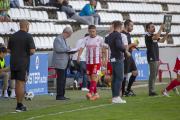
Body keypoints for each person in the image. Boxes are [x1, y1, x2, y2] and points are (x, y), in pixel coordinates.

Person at [7, 19, 35, 111]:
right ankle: (19, 105)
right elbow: (32, 51)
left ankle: (19, 104)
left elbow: (9, 50)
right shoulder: (28, 36)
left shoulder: (13, 36)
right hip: (23, 63)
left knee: (17, 84)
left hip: (13, 62)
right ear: (26, 25)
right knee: (21, 84)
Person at [77, 25, 106, 100]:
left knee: (94, 76)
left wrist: (104, 59)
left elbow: (104, 49)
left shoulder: (100, 39)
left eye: (93, 31)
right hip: (88, 61)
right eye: (90, 31)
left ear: (96, 31)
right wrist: (79, 56)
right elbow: (82, 47)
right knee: (89, 78)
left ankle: (89, 93)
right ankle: (96, 94)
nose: (92, 33)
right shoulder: (86, 39)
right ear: (88, 31)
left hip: (96, 61)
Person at [105, 21, 131, 103]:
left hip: (112, 58)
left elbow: (106, 40)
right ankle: (116, 97)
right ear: (120, 27)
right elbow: (119, 45)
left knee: (115, 79)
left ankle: (114, 97)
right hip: (118, 58)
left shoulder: (110, 35)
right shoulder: (118, 35)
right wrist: (126, 51)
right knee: (120, 78)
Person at [145, 22, 170, 96]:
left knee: (154, 74)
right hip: (152, 57)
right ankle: (151, 91)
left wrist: (166, 34)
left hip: (155, 57)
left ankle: (152, 90)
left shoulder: (153, 35)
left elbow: (162, 41)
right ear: (148, 29)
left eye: (153, 26)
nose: (154, 27)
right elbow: (156, 38)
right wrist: (161, 28)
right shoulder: (148, 36)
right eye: (152, 27)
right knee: (152, 75)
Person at [51, 27, 73, 100]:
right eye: (69, 35)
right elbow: (58, 49)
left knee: (63, 79)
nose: (69, 37)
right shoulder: (58, 39)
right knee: (60, 79)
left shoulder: (63, 39)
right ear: (66, 33)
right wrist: (68, 49)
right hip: (60, 62)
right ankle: (59, 95)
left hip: (64, 62)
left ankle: (62, 95)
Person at [121, 20, 139, 97]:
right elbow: (124, 47)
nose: (132, 28)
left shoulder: (128, 34)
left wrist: (132, 45)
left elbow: (128, 46)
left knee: (135, 73)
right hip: (125, 55)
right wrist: (133, 44)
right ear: (127, 26)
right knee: (125, 74)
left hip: (130, 55)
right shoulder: (122, 34)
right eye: (131, 26)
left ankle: (128, 89)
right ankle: (123, 92)